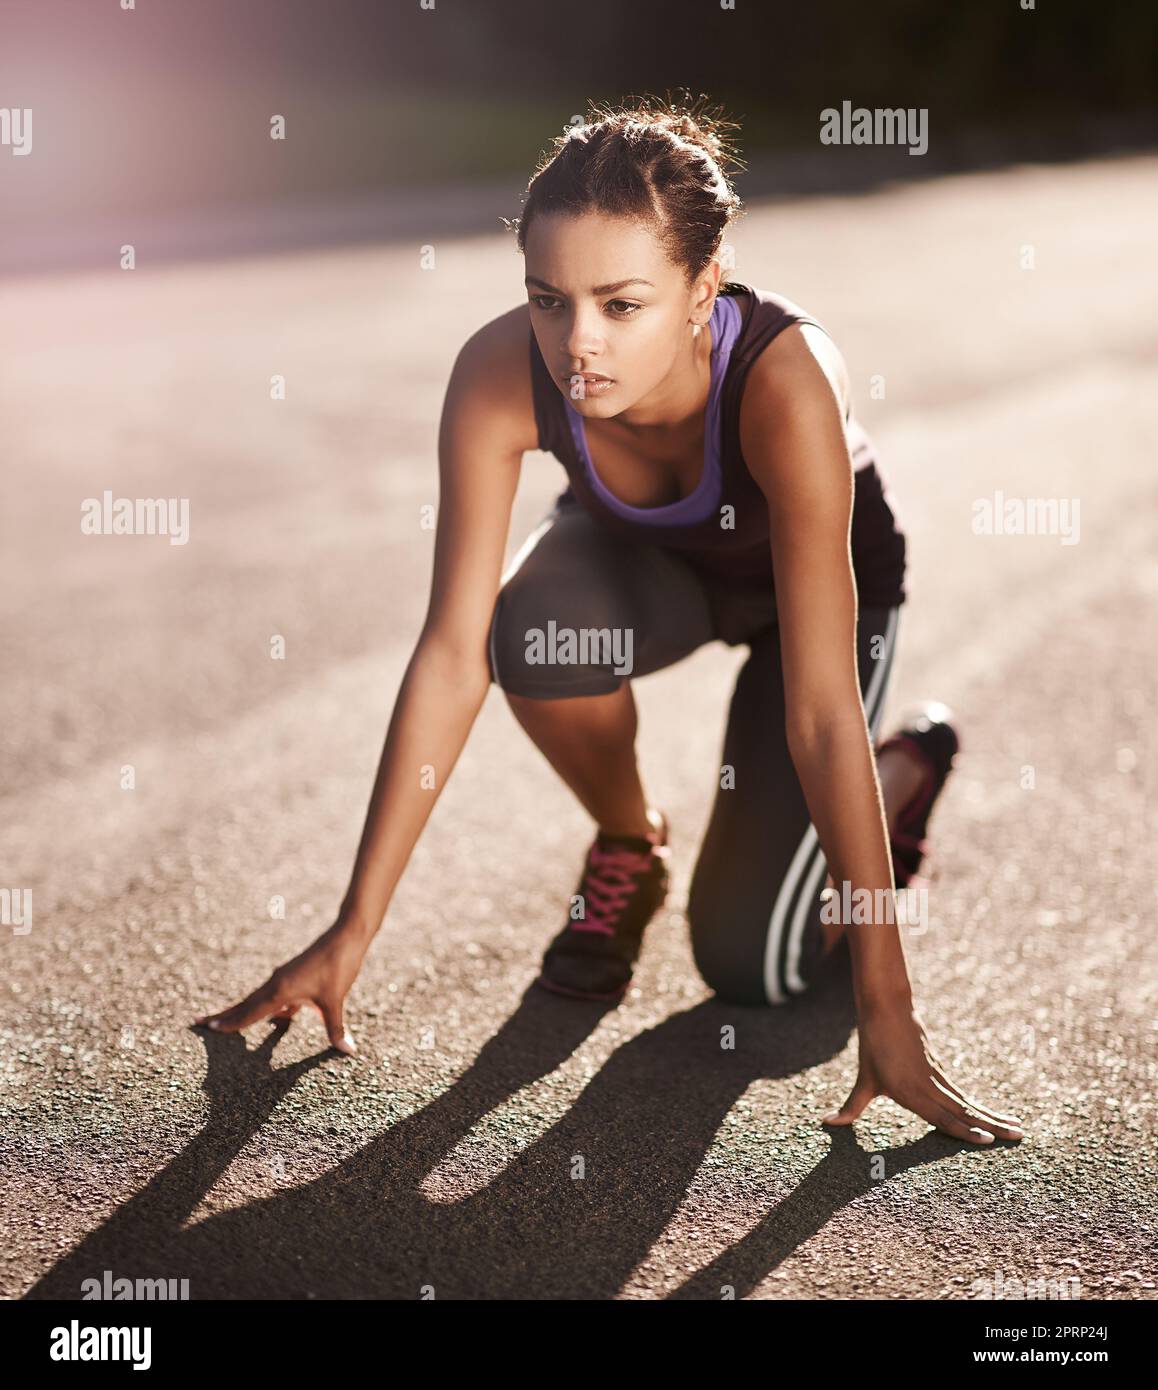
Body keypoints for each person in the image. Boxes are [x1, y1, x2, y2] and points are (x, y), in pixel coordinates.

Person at [195, 93, 1023, 1146]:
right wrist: (350, 927)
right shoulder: (501, 373)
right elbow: (455, 653)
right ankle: (631, 840)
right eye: (549, 299)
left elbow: (818, 716)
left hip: (807, 601)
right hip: (649, 566)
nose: (575, 344)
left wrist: (888, 1008)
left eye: (621, 304)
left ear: (700, 288)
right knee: (529, 630)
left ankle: (905, 770)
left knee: (751, 968)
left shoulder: (786, 380)